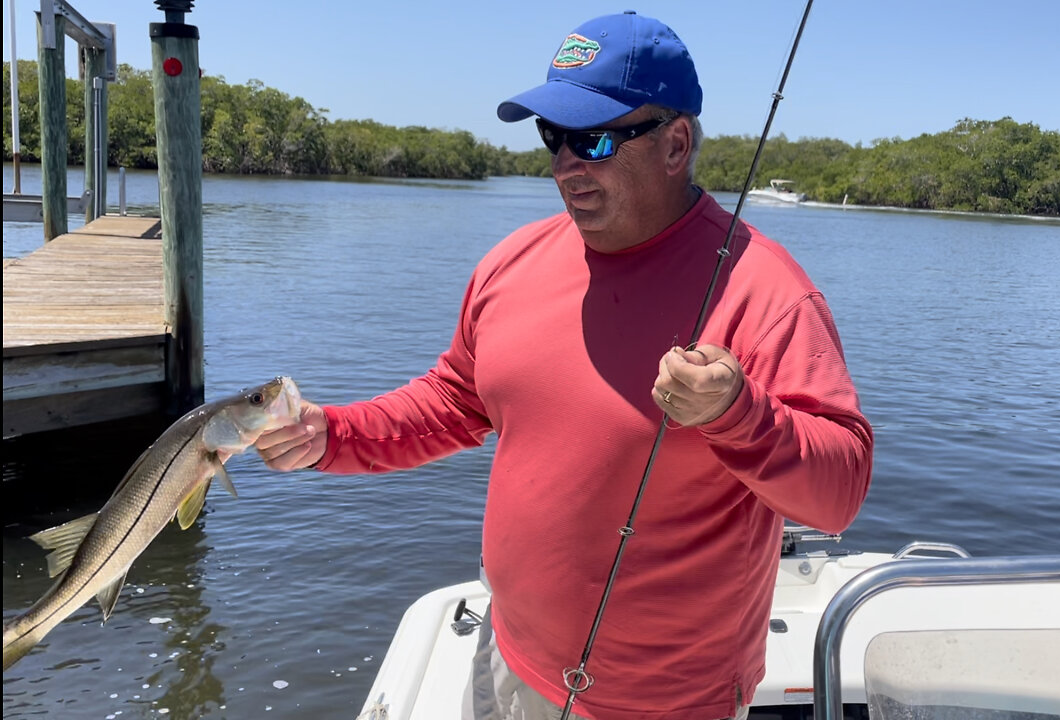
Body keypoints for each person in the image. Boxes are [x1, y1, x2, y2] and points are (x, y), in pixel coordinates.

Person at [257, 11, 873, 720]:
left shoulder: (769, 292)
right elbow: (454, 402)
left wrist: (740, 415)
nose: (565, 164)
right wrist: (329, 435)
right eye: (553, 138)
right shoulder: (511, 262)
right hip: (508, 654)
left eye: (596, 139)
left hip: (666, 703)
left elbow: (840, 494)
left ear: (676, 144)